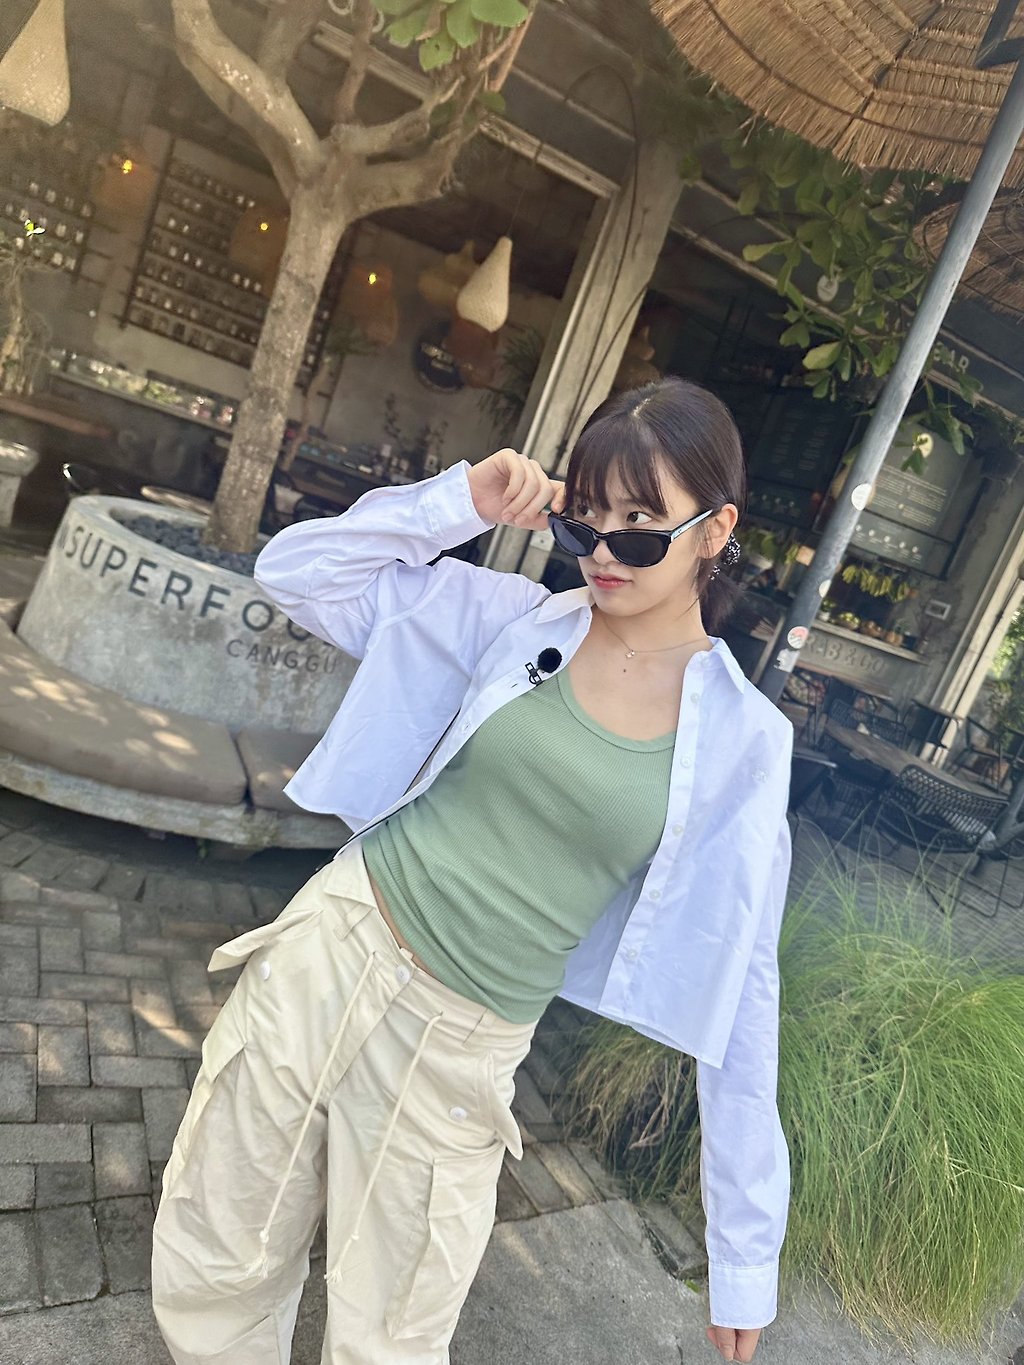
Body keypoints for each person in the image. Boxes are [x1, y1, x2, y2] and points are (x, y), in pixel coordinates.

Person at [151, 376, 794, 1365]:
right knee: (222, 1243)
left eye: (639, 525)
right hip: (340, 942)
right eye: (585, 520)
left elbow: (743, 986)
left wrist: (743, 1249)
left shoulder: (743, 742)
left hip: (464, 1044)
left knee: (395, 1331)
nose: (604, 551)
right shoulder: (512, 619)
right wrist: (459, 502)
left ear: (716, 530)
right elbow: (296, 572)